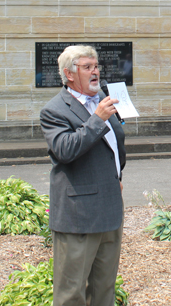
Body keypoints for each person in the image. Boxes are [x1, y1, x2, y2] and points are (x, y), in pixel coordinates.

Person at [40, 45, 126, 306]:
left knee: (104, 288)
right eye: (87, 67)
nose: (95, 72)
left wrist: (118, 176)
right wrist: (97, 120)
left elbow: (115, 145)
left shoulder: (102, 100)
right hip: (79, 214)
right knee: (71, 292)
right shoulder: (54, 110)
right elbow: (65, 150)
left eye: (96, 66)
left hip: (110, 209)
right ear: (69, 74)